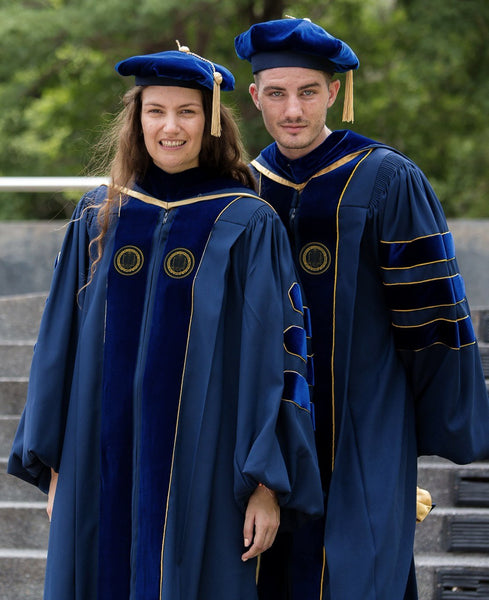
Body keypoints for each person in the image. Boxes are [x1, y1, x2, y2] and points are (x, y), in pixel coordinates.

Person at [7, 44, 324, 600]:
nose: (170, 127)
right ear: (137, 120)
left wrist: (267, 486)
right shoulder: (98, 214)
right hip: (96, 463)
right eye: (156, 111)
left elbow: (278, 358)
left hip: (207, 471)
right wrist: (55, 461)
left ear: (212, 123)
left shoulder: (247, 221)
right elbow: (57, 343)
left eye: (187, 112)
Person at [234, 17, 489, 600]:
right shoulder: (242, 187)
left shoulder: (385, 178)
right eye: (276, 93)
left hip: (364, 416)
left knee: (359, 572)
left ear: (334, 92)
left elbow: (432, 315)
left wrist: (419, 425)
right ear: (255, 97)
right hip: (265, 429)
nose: (292, 110)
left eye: (308, 92)